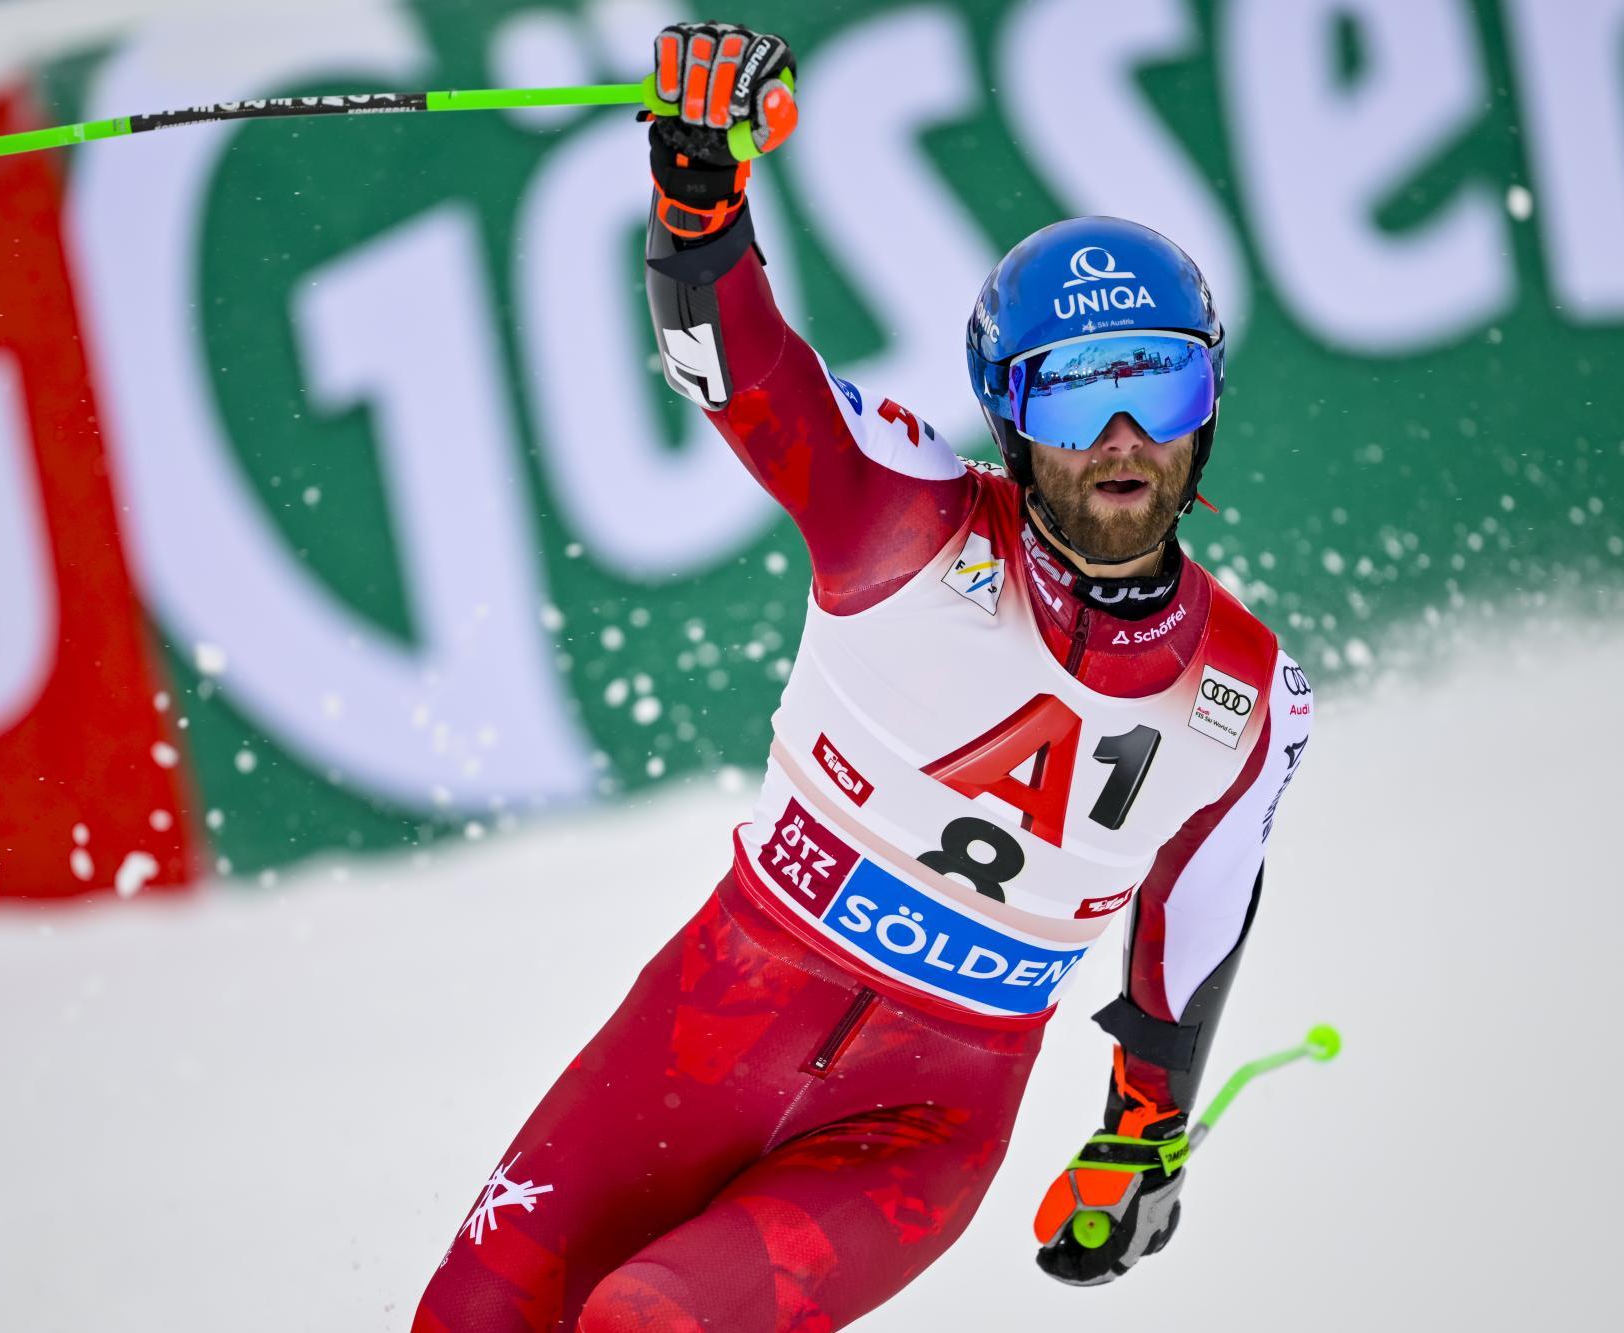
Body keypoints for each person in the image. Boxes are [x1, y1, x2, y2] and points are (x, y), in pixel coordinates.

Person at [416, 22, 1313, 1331]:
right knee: (468, 1317)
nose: (1122, 437)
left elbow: (1196, 920)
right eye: (1071, 398)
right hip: (708, 1024)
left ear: (1210, 402)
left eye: (1159, 386)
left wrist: (1143, 1137)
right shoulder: (901, 517)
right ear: (1007, 417)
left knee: (649, 1319)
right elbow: (734, 367)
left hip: (915, 1127)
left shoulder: (1249, 696)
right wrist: (698, 197)